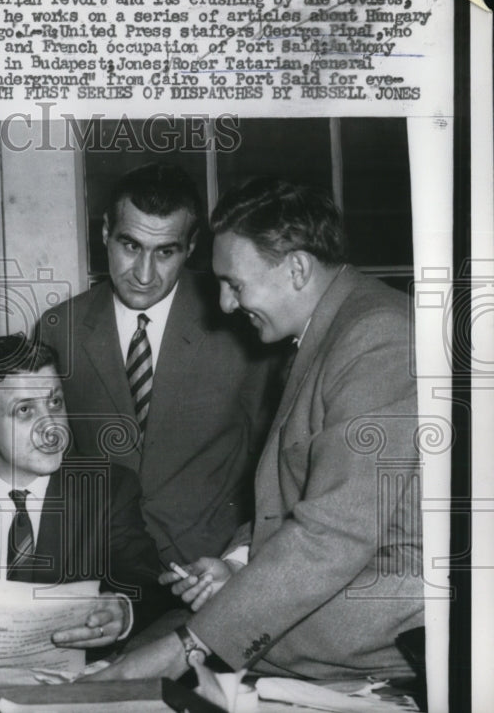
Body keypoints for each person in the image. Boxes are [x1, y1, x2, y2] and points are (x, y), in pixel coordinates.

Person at [90, 176, 424, 683]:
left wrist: (188, 648)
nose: (224, 304)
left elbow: (333, 534)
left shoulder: (378, 338)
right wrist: (240, 560)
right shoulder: (331, 330)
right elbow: (298, 493)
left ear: (296, 269)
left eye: (235, 284)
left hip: (367, 647)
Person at [0, 335, 168, 694]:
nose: (50, 427)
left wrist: (122, 609)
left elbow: (142, 577)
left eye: (55, 402)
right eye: (25, 410)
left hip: (79, 694)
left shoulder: (108, 489)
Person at [38, 162, 276, 564]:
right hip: (100, 569)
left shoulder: (243, 325)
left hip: (212, 573)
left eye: (165, 252)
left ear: (192, 245)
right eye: (130, 246)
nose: (144, 275)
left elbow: (277, 467)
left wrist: (239, 558)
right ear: (105, 234)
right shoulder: (60, 329)